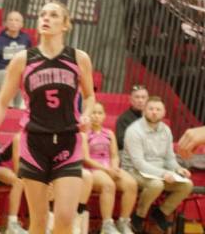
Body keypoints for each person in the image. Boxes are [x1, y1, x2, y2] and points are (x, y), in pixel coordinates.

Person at [0, 1, 96, 234]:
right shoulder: (23, 60)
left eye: (54, 15)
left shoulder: (79, 58)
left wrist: (86, 115)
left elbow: (89, 96)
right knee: (39, 219)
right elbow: (3, 101)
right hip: (34, 142)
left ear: (66, 25)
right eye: (43, 14)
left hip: (68, 140)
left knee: (65, 218)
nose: (46, 18)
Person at [121, 97, 193, 233]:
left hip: (159, 172)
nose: (154, 112)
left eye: (158, 109)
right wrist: (163, 174)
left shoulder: (166, 130)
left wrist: (178, 168)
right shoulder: (134, 131)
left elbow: (169, 158)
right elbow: (139, 163)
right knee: (156, 184)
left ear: (164, 112)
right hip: (133, 171)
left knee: (187, 185)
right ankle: (139, 216)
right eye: (151, 109)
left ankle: (160, 212)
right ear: (144, 111)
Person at [82, 102, 137, 234]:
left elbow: (114, 155)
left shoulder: (109, 133)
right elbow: (86, 159)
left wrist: (115, 167)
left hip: (109, 167)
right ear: (87, 116)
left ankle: (124, 222)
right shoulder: (84, 134)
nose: (96, 116)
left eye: (99, 113)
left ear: (104, 116)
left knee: (131, 184)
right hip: (93, 169)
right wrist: (107, 170)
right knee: (108, 185)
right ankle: (107, 225)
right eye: (93, 113)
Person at [0, 11, 32, 107]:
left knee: (20, 74)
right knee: (9, 73)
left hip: (17, 73)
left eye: (17, 20)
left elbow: (30, 60)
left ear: (21, 24)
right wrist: (8, 67)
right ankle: (8, 105)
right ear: (6, 23)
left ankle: (16, 107)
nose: (13, 22)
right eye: (10, 20)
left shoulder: (26, 39)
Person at [0, 134, 28, 234]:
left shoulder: (41, 139)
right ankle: (12, 223)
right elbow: (17, 169)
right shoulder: (19, 138)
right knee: (18, 181)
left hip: (13, 170)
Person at [115, 85, 148, 150]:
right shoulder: (123, 119)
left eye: (143, 97)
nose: (140, 100)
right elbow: (121, 142)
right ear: (131, 100)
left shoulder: (151, 118)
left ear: (147, 99)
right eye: (137, 97)